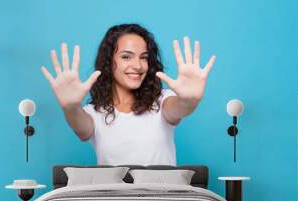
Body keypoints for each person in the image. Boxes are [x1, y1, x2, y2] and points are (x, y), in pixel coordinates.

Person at [41, 24, 216, 166]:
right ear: (109, 62)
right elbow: (80, 127)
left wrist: (189, 100)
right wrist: (70, 106)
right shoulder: (93, 113)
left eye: (144, 57)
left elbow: (181, 107)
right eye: (126, 57)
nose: (138, 66)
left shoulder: (162, 101)